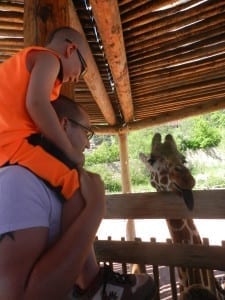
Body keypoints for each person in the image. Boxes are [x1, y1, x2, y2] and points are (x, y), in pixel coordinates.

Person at [0, 95, 156, 299]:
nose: (89, 145)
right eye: (86, 132)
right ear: (65, 125)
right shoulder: (19, 181)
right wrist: (95, 210)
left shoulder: (55, 182)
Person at [0, 26, 88, 202]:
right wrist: (69, 149)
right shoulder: (50, 59)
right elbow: (37, 103)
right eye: (83, 67)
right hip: (9, 143)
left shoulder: (32, 64)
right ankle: (71, 229)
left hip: (10, 141)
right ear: (71, 50)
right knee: (72, 182)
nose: (78, 78)